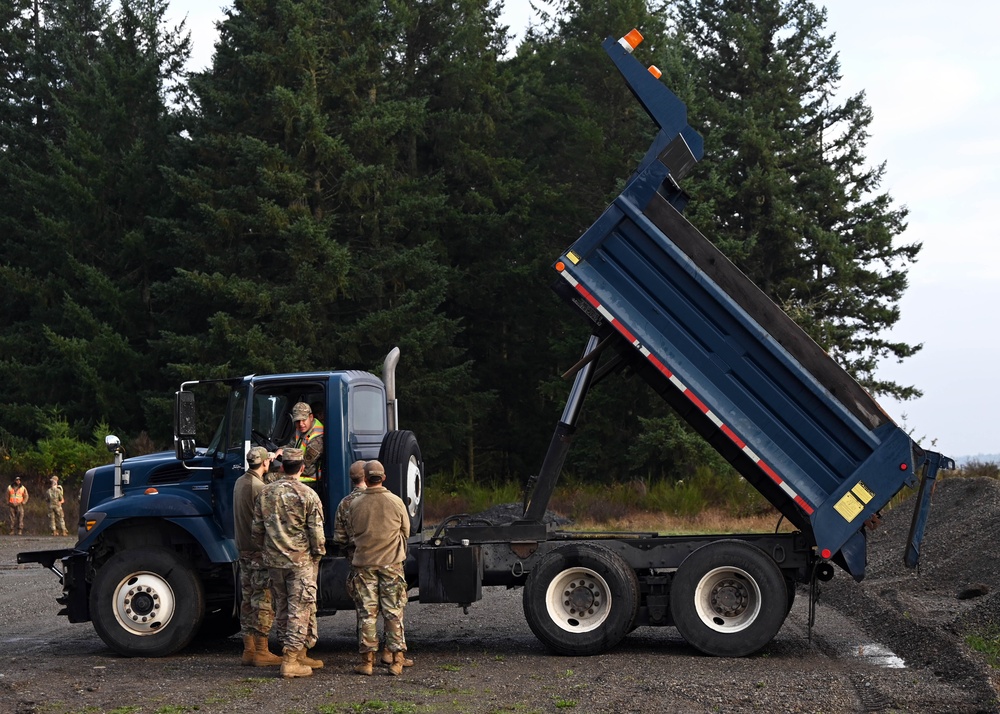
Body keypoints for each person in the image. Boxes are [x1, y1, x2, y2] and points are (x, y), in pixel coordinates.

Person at [251, 445, 326, 678]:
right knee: (300, 609)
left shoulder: (265, 493)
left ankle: (294, 654)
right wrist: (317, 555)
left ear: (282, 467)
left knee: (282, 607)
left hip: (274, 561)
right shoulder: (308, 495)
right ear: (302, 468)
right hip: (300, 562)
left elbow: (256, 531)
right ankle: (291, 660)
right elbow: (317, 534)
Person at [348, 459, 411, 676]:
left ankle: (367, 662)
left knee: (367, 613)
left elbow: (350, 534)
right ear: (383, 478)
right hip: (391, 564)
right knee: (393, 612)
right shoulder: (396, 502)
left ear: (365, 478)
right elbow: (406, 531)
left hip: (364, 565)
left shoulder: (354, 504)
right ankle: (396, 660)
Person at [233, 446, 282, 667]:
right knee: (263, 600)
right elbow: (269, 521)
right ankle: (262, 651)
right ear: (264, 463)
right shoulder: (260, 489)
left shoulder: (239, 482)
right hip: (258, 551)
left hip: (242, 549)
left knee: (247, 600)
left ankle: (248, 650)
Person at [278, 402, 324, 483]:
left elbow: (306, 468)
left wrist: (284, 468)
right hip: (296, 470)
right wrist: (281, 450)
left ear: (311, 417)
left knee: (270, 477)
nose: (301, 424)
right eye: (297, 421)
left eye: (303, 420)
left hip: (309, 478)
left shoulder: (317, 440)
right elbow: (291, 445)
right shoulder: (301, 429)